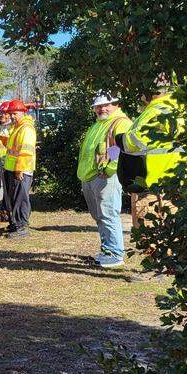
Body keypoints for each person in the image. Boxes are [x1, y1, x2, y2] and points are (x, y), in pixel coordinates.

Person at [120, 79, 186, 238]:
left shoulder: (153, 112)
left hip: (153, 188)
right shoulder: (183, 110)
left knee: (152, 240)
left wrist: (121, 139)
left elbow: (132, 142)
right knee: (178, 240)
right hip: (181, 186)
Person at [77, 92, 133, 268]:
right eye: (98, 106)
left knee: (108, 214)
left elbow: (120, 148)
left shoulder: (121, 122)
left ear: (116, 104)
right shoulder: (99, 124)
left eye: (107, 104)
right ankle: (107, 250)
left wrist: (110, 169)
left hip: (106, 176)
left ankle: (115, 254)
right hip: (91, 176)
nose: (102, 108)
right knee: (100, 216)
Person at [1, 99, 36, 238]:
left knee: (20, 198)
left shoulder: (26, 128)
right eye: (11, 114)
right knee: (14, 198)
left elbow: (25, 151)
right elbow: (12, 146)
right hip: (13, 168)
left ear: (22, 112)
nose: (12, 116)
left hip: (21, 170)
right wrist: (2, 139)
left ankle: (22, 226)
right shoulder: (18, 127)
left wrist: (20, 169)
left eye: (14, 113)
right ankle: (16, 224)